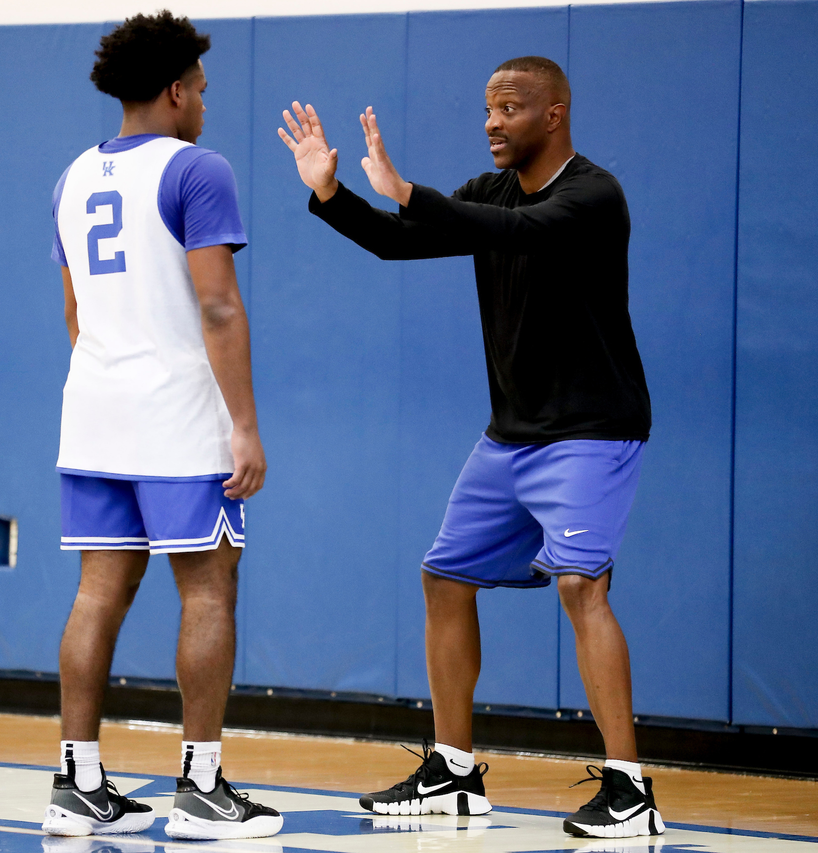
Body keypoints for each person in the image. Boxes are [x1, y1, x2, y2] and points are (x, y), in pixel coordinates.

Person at [278, 56, 665, 839]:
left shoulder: (593, 195)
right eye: (489, 109)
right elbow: (398, 242)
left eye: (510, 108)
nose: (492, 122)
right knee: (445, 576)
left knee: (580, 585)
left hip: (592, 430)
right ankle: (454, 772)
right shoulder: (487, 191)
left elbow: (519, 231)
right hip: (511, 435)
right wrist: (331, 190)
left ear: (553, 115)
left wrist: (412, 192)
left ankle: (631, 789)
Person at [43, 11, 282, 842]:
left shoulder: (71, 178)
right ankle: (203, 787)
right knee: (209, 588)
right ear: (176, 90)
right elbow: (218, 303)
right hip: (177, 415)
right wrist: (244, 427)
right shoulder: (196, 169)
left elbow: (75, 312)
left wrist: (116, 377)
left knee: (97, 592)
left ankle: (77, 783)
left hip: (94, 414)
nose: (207, 108)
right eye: (204, 92)